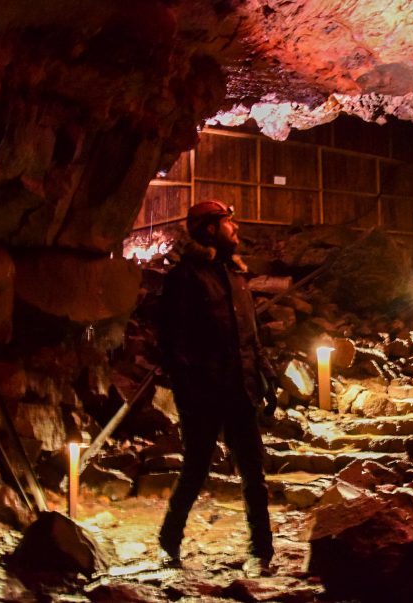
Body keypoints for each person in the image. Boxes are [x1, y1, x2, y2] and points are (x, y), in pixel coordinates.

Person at [156, 200, 278, 575]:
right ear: (210, 229)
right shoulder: (186, 279)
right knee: (195, 468)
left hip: (240, 390)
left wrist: (266, 379)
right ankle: (169, 541)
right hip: (206, 394)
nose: (236, 228)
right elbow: (173, 345)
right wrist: (188, 394)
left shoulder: (236, 276)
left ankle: (262, 548)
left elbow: (250, 339)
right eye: (229, 222)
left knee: (253, 472)